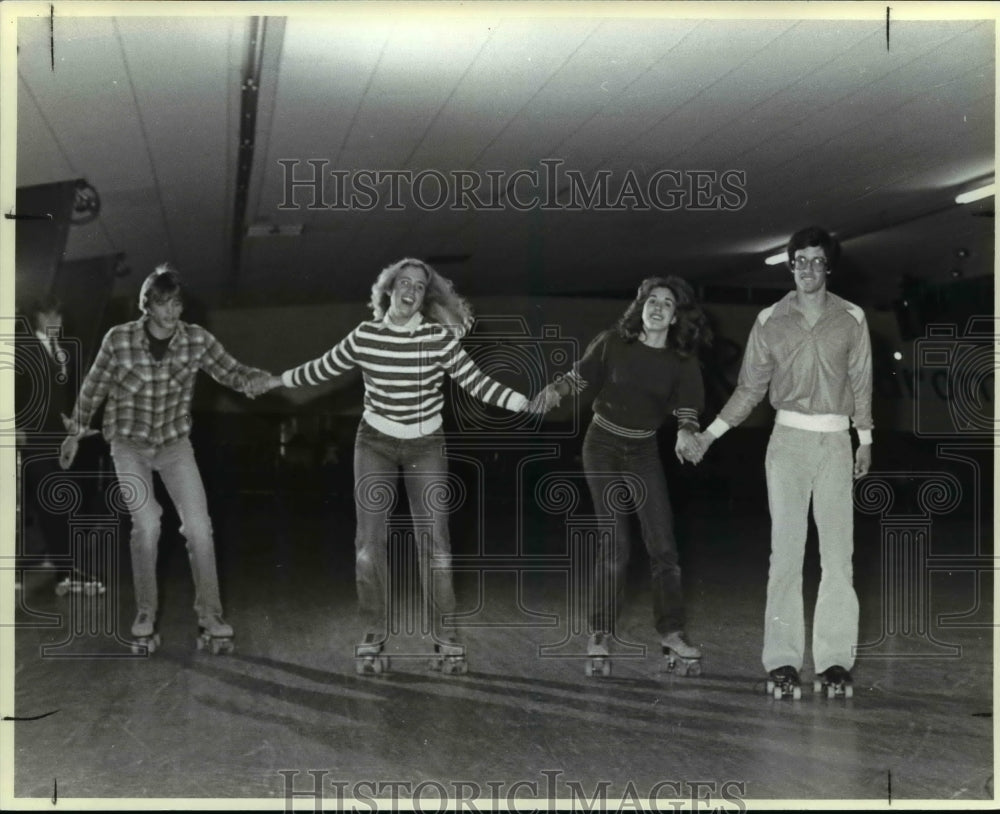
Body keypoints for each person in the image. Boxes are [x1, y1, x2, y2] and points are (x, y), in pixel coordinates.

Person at [250, 258, 552, 673]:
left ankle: (446, 641)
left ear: (424, 298)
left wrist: (524, 401)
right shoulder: (365, 336)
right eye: (403, 282)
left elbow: (477, 382)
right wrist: (276, 380)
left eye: (420, 285)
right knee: (368, 546)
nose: (411, 289)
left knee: (437, 547)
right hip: (374, 443)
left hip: (427, 445)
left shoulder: (437, 338)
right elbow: (320, 368)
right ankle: (373, 637)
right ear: (388, 290)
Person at [694, 226, 873, 698]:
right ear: (790, 264)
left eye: (818, 260)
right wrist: (710, 435)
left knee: (838, 558)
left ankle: (835, 661)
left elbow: (861, 383)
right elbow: (750, 388)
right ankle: (783, 661)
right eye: (802, 260)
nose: (810, 268)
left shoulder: (852, 317)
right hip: (788, 442)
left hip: (836, 441)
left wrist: (865, 439)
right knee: (786, 556)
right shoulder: (770, 319)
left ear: (827, 266)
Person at [59, 264, 269, 654]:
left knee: (200, 528)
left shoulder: (196, 340)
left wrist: (255, 379)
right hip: (129, 445)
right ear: (147, 306)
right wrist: (75, 433)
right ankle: (145, 613)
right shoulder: (118, 340)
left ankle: (211, 616)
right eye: (162, 304)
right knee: (148, 523)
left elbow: (230, 371)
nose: (171, 312)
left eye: (176, 303)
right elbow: (93, 388)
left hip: (174, 445)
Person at [539, 276, 711, 676]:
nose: (658, 307)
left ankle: (671, 632)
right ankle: (600, 632)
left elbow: (688, 408)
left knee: (663, 544)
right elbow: (580, 377)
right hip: (601, 445)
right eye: (652, 300)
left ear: (674, 317)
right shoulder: (613, 342)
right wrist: (556, 391)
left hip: (644, 451)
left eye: (667, 304)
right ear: (641, 308)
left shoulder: (682, 362)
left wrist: (687, 431)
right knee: (615, 542)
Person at [14, 295, 102, 593]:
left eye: (59, 318)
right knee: (52, 501)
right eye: (48, 317)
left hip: (55, 438)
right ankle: (66, 572)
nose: (55, 323)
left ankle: (55, 560)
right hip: (31, 439)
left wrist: (72, 426)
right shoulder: (21, 347)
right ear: (35, 318)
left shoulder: (60, 351)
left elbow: (58, 400)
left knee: (55, 502)